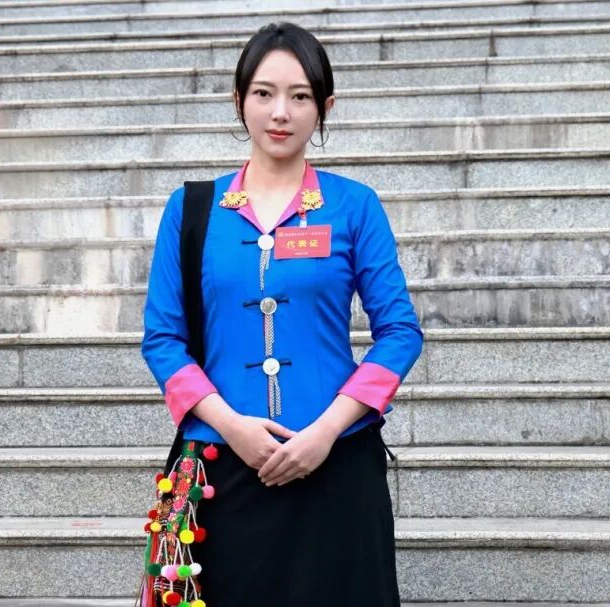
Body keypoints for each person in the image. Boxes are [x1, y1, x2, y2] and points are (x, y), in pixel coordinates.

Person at [139, 21, 423, 607]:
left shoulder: (354, 206)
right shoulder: (192, 209)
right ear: (238, 100)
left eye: (300, 96)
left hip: (337, 465)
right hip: (220, 470)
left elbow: (400, 333)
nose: (280, 112)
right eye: (264, 93)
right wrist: (232, 426)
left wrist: (326, 432)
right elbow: (163, 339)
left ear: (325, 108)